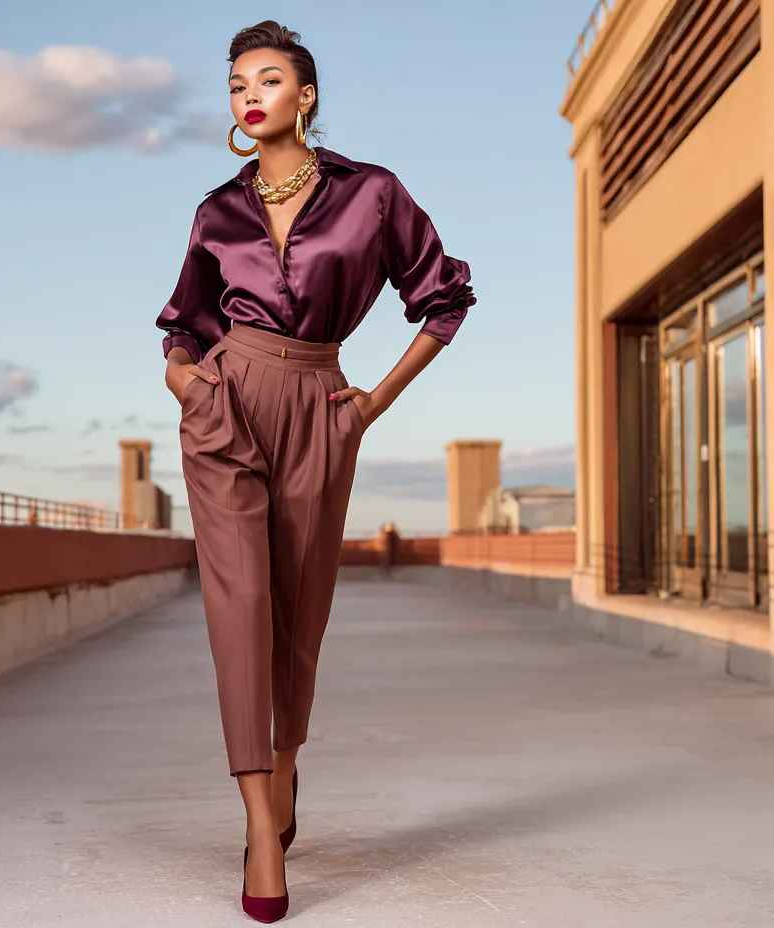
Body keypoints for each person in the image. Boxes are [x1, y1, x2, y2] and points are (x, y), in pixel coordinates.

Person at [155, 19, 475, 923]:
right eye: (233, 85)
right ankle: (260, 821)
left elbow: (444, 299)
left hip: (320, 401)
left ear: (306, 97)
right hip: (225, 403)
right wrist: (186, 380)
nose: (247, 95)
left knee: (299, 610)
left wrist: (374, 403)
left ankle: (287, 768)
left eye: (266, 79)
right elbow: (182, 321)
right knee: (240, 610)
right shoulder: (216, 210)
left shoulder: (371, 194)